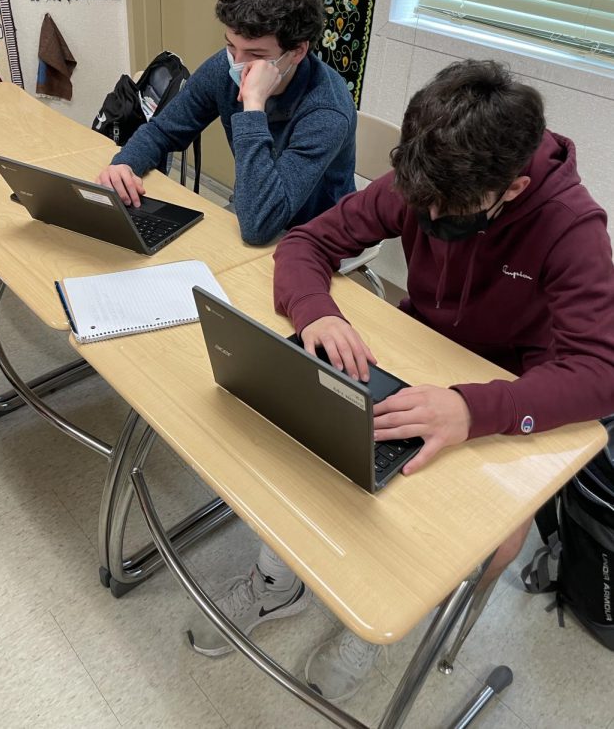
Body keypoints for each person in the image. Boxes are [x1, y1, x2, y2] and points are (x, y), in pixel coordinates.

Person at [187, 59, 614, 703]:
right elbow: (306, 244)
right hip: (423, 356)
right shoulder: (426, 177)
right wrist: (317, 311)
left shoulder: (572, 226)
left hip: (513, 389)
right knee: (314, 432)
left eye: (453, 210)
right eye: (423, 202)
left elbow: (600, 374)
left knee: (478, 531)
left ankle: (386, 624)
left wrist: (474, 410)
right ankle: (281, 581)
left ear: (515, 188)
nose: (431, 214)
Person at [96, 0, 357, 245]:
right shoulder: (225, 67)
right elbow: (164, 130)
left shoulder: (327, 111)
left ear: (297, 51)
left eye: (255, 54)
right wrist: (124, 164)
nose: (237, 63)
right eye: (232, 46)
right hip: (253, 207)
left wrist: (253, 105)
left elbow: (260, 225)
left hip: (315, 233)